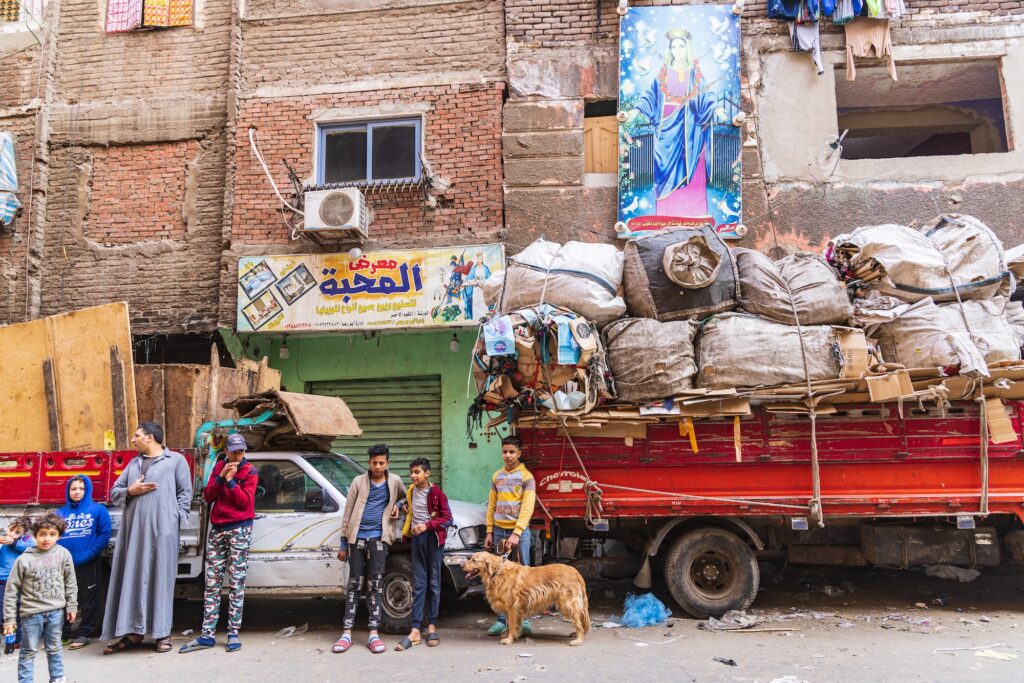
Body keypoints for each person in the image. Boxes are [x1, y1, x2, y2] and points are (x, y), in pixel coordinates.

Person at [101, 422, 193, 655]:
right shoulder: (133, 464)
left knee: (161, 578)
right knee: (132, 577)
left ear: (150, 437)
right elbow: (114, 492)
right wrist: (130, 491)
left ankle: (162, 633)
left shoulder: (175, 461)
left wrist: (174, 517)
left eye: (137, 436)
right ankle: (134, 632)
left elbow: (185, 492)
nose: (133, 440)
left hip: (163, 531)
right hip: (134, 532)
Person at [628, 28, 719, 219]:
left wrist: (716, 108)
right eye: (674, 46)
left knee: (693, 171)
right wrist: (636, 110)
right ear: (669, 50)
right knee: (663, 172)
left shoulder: (695, 75)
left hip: (689, 130)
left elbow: (706, 95)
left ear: (688, 48)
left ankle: (695, 216)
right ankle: (666, 215)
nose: (677, 50)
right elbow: (649, 97)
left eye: (681, 46)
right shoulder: (662, 75)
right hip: (665, 131)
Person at [180, 433, 258, 654]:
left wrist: (231, 481)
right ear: (226, 451)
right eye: (234, 452)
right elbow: (208, 496)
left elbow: (245, 503)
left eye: (241, 451)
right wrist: (220, 478)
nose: (238, 455)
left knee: (236, 582)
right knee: (212, 583)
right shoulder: (219, 467)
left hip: (239, 529)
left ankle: (233, 633)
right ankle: (207, 634)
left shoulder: (250, 471)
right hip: (218, 529)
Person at [333, 444, 405, 655]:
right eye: (375, 463)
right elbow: (347, 513)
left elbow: (405, 497)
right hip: (356, 540)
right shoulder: (358, 481)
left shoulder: (395, 481)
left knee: (375, 587)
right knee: (354, 585)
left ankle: (374, 634)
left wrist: (398, 506)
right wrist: (343, 543)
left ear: (387, 463)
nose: (378, 466)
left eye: (382, 463)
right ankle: (346, 633)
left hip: (379, 540)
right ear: (369, 463)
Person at [3, 511, 77, 683]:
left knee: (54, 648)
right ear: (35, 536)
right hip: (31, 614)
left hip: (56, 612)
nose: (46, 538)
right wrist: (9, 620)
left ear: (59, 536)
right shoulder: (24, 559)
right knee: (28, 651)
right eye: (42, 534)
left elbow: (70, 581)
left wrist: (72, 605)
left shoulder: (63, 554)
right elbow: (11, 590)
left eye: (52, 534)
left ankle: (57, 678)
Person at [394, 457, 452, 651]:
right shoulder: (411, 491)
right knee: (419, 584)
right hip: (417, 540)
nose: (413, 475)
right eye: (411, 472)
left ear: (427, 473)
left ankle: (432, 626)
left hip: (433, 540)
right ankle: (416, 630)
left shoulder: (437, 493)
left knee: (434, 583)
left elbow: (448, 519)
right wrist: (399, 505)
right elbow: (405, 500)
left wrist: (427, 525)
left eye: (417, 472)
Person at [484, 434, 537, 637]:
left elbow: (527, 508)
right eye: (505, 451)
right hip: (499, 531)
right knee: (498, 576)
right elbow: (491, 505)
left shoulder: (527, 477)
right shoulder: (496, 476)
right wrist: (489, 531)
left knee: (523, 578)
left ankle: (524, 619)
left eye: (512, 452)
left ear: (519, 453)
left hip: (519, 533)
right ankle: (502, 620)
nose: (508, 455)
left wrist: (516, 533)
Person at [56, 475, 111, 650]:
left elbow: (104, 535)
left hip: (88, 562)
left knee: (88, 600)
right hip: (63, 564)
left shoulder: (98, 510)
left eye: (81, 488)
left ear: (87, 491)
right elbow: (53, 535)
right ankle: (62, 635)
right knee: (62, 599)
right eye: (73, 489)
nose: (77, 492)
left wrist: (89, 553)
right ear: (68, 491)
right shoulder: (60, 513)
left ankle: (84, 634)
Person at [0, 516, 34, 649]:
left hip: (19, 581)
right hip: (3, 580)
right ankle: (5, 633)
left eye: (17, 532)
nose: (12, 534)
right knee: (2, 609)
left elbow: (30, 548)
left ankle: (17, 639)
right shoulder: (3, 541)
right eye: (11, 530)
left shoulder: (27, 541)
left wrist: (13, 542)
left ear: (24, 533)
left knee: (18, 610)